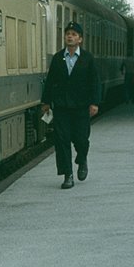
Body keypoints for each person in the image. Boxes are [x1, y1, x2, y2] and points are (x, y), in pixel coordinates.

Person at [41, 22, 101, 189]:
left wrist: (95, 102)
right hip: (61, 107)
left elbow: (95, 82)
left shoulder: (87, 59)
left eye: (74, 34)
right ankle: (67, 175)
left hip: (81, 107)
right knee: (61, 141)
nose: (70, 36)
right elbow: (50, 81)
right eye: (68, 33)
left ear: (80, 39)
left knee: (81, 139)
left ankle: (82, 160)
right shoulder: (57, 58)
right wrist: (46, 101)